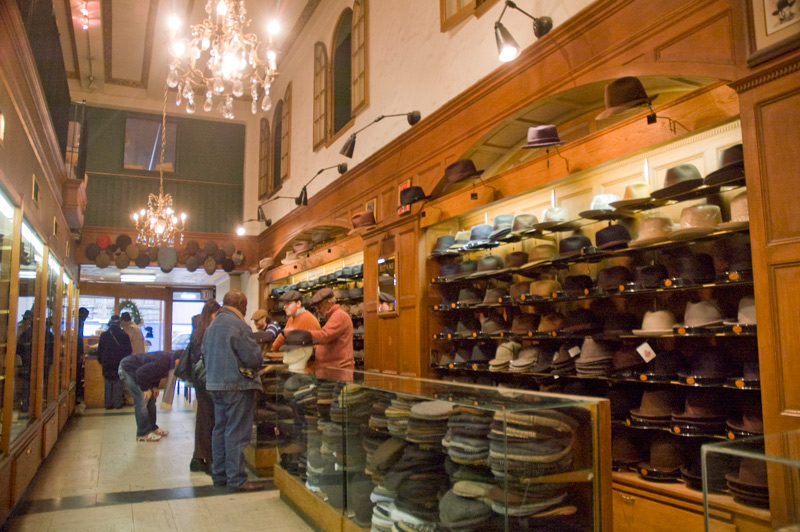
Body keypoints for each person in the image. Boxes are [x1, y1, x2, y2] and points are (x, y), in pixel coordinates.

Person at [203, 290, 275, 492]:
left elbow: (205, 354)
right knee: (236, 432)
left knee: (220, 430)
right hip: (236, 385)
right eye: (245, 305)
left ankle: (219, 475)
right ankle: (236, 479)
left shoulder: (212, 326)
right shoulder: (239, 326)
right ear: (242, 304)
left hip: (215, 385)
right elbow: (253, 359)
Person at [188, 299, 221, 474]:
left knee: (203, 419)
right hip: (209, 380)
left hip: (200, 380)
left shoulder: (198, 329)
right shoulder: (209, 331)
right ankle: (208, 458)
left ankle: (199, 457)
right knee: (210, 420)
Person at [118, 351, 175, 442]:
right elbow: (140, 373)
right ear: (177, 361)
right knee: (142, 399)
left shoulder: (169, 361)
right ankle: (143, 433)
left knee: (151, 398)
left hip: (138, 372)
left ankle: (152, 428)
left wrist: (154, 387)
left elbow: (155, 373)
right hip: (128, 369)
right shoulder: (164, 363)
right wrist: (145, 389)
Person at [308, 288, 355, 370]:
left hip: (338, 372)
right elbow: (330, 341)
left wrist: (302, 334)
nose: (318, 311)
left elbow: (324, 336)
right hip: (333, 370)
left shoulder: (339, 316)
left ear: (329, 302)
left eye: (319, 306)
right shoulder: (332, 316)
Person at [96, 315, 131, 409]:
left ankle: (108, 404)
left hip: (107, 363)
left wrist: (102, 361)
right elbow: (129, 351)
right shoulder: (124, 335)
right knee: (118, 383)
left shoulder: (104, 335)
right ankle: (118, 404)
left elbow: (99, 351)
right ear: (119, 324)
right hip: (119, 363)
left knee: (108, 383)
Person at [76, 307, 89, 403]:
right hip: (77, 352)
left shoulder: (77, 321)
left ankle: (76, 395)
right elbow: (79, 339)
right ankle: (76, 395)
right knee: (77, 374)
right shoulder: (79, 323)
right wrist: (80, 353)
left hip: (77, 352)